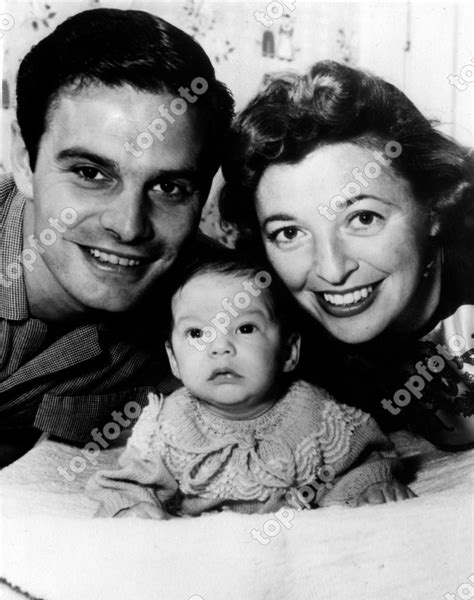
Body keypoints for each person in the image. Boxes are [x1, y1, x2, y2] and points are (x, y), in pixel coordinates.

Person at [0, 8, 234, 467]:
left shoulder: (217, 299)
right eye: (90, 173)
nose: (128, 227)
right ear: (24, 161)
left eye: (169, 188)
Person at [219, 60, 474, 449]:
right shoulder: (277, 337)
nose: (332, 270)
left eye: (363, 218)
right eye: (289, 233)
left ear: (434, 207)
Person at [87, 252, 413, 519]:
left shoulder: (318, 416)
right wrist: (131, 508)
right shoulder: (170, 424)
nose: (220, 347)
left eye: (244, 328)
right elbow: (133, 481)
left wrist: (366, 490)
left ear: (288, 352)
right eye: (197, 334)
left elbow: (366, 462)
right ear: (173, 360)